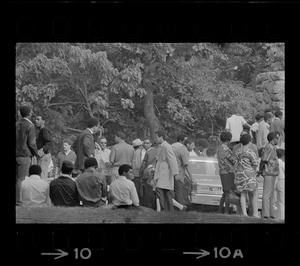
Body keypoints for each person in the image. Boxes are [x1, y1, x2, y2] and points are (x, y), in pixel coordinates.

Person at [16, 106, 40, 205]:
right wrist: (36, 154)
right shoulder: (30, 126)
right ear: (29, 113)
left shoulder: (17, 124)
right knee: (22, 180)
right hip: (24, 155)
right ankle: (19, 201)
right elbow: (31, 143)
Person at [153, 130, 179, 211]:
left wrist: (175, 173)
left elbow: (172, 160)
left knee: (162, 191)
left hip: (165, 172)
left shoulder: (167, 146)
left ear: (161, 137)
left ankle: (165, 209)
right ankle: (165, 209)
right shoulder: (161, 146)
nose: (155, 139)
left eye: (156, 137)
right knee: (162, 191)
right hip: (160, 171)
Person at [234, 134, 260, 217]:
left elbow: (235, 163)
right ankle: (255, 214)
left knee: (243, 194)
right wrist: (255, 169)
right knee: (255, 192)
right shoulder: (250, 151)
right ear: (249, 141)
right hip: (249, 174)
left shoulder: (238, 151)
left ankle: (244, 214)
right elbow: (255, 163)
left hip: (240, 174)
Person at [216, 131, 238, 214]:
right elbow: (233, 160)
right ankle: (225, 211)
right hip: (229, 172)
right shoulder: (226, 149)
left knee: (225, 192)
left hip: (222, 172)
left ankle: (220, 209)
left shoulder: (219, 148)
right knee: (229, 192)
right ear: (228, 140)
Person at [260, 132, 280, 219]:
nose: (278, 140)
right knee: (267, 194)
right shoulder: (269, 147)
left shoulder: (273, 147)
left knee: (271, 194)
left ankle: (271, 213)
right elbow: (264, 159)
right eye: (277, 138)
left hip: (273, 173)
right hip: (268, 173)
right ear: (273, 138)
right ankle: (265, 214)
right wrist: (261, 170)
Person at [172, 134, 193, 207]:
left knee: (171, 192)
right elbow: (186, 164)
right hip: (178, 174)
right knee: (179, 192)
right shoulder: (182, 149)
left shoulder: (172, 146)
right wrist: (192, 178)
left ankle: (172, 208)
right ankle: (179, 208)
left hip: (170, 173)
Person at [139, 137, 159, 210]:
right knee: (155, 192)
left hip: (147, 175)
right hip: (156, 175)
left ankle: (148, 207)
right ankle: (156, 206)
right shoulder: (158, 151)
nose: (145, 145)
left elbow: (143, 164)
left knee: (147, 192)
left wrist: (140, 173)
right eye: (144, 143)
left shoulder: (148, 152)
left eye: (147, 143)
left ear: (151, 144)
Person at [35, 114, 53, 179]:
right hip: (40, 157)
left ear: (43, 121)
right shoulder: (40, 131)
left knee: (42, 176)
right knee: (39, 176)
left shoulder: (44, 130)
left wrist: (42, 149)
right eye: (35, 119)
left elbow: (49, 142)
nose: (36, 121)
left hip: (43, 156)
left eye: (38, 119)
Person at [274, 149, 285, 221]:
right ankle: (282, 217)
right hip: (281, 181)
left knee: (276, 201)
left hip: (275, 181)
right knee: (282, 201)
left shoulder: (274, 162)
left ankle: (276, 216)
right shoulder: (282, 163)